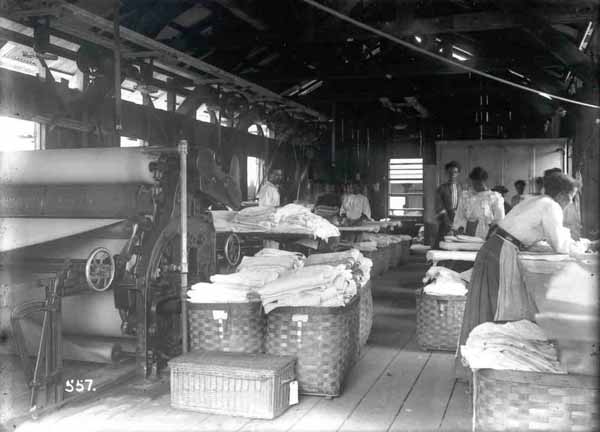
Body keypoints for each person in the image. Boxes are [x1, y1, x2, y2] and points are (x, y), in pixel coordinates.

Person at [456, 173, 580, 378]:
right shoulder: (552, 207)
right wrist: (581, 247)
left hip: (494, 247)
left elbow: (536, 234)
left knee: (487, 306)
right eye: (570, 197)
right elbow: (560, 245)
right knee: (500, 307)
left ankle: (479, 369)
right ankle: (490, 371)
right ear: (561, 195)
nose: (570, 202)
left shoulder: (536, 200)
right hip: (502, 253)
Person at [452, 167, 505, 240]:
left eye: (479, 184)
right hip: (466, 237)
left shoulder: (495, 197)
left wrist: (489, 237)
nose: (475, 186)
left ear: (484, 181)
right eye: (474, 183)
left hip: (486, 237)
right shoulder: (465, 197)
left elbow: (499, 221)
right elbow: (459, 217)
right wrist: (459, 231)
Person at [434, 161, 462, 248]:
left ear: (458, 173)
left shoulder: (462, 188)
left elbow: (464, 205)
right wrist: (447, 220)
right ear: (446, 173)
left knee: (458, 244)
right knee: (442, 243)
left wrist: (458, 219)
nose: (452, 175)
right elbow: (438, 206)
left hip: (459, 220)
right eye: (450, 172)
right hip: (445, 220)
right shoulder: (441, 188)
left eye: (455, 172)